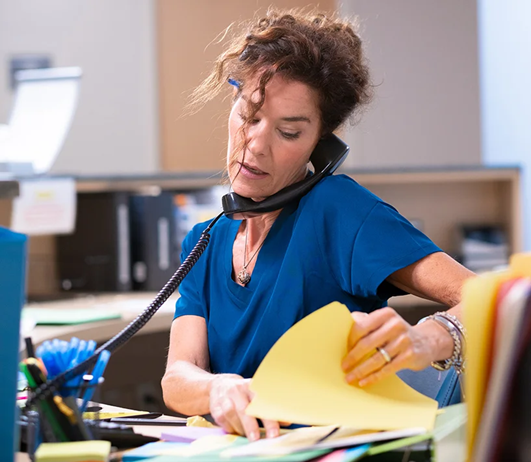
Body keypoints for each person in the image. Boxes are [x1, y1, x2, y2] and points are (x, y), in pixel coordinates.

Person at [161, 8, 475, 442]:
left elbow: (490, 298)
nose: (256, 144)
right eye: (249, 116)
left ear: (320, 143)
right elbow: (177, 378)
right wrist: (218, 387)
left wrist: (430, 338)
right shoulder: (205, 240)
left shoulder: (336, 210)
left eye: (288, 132)